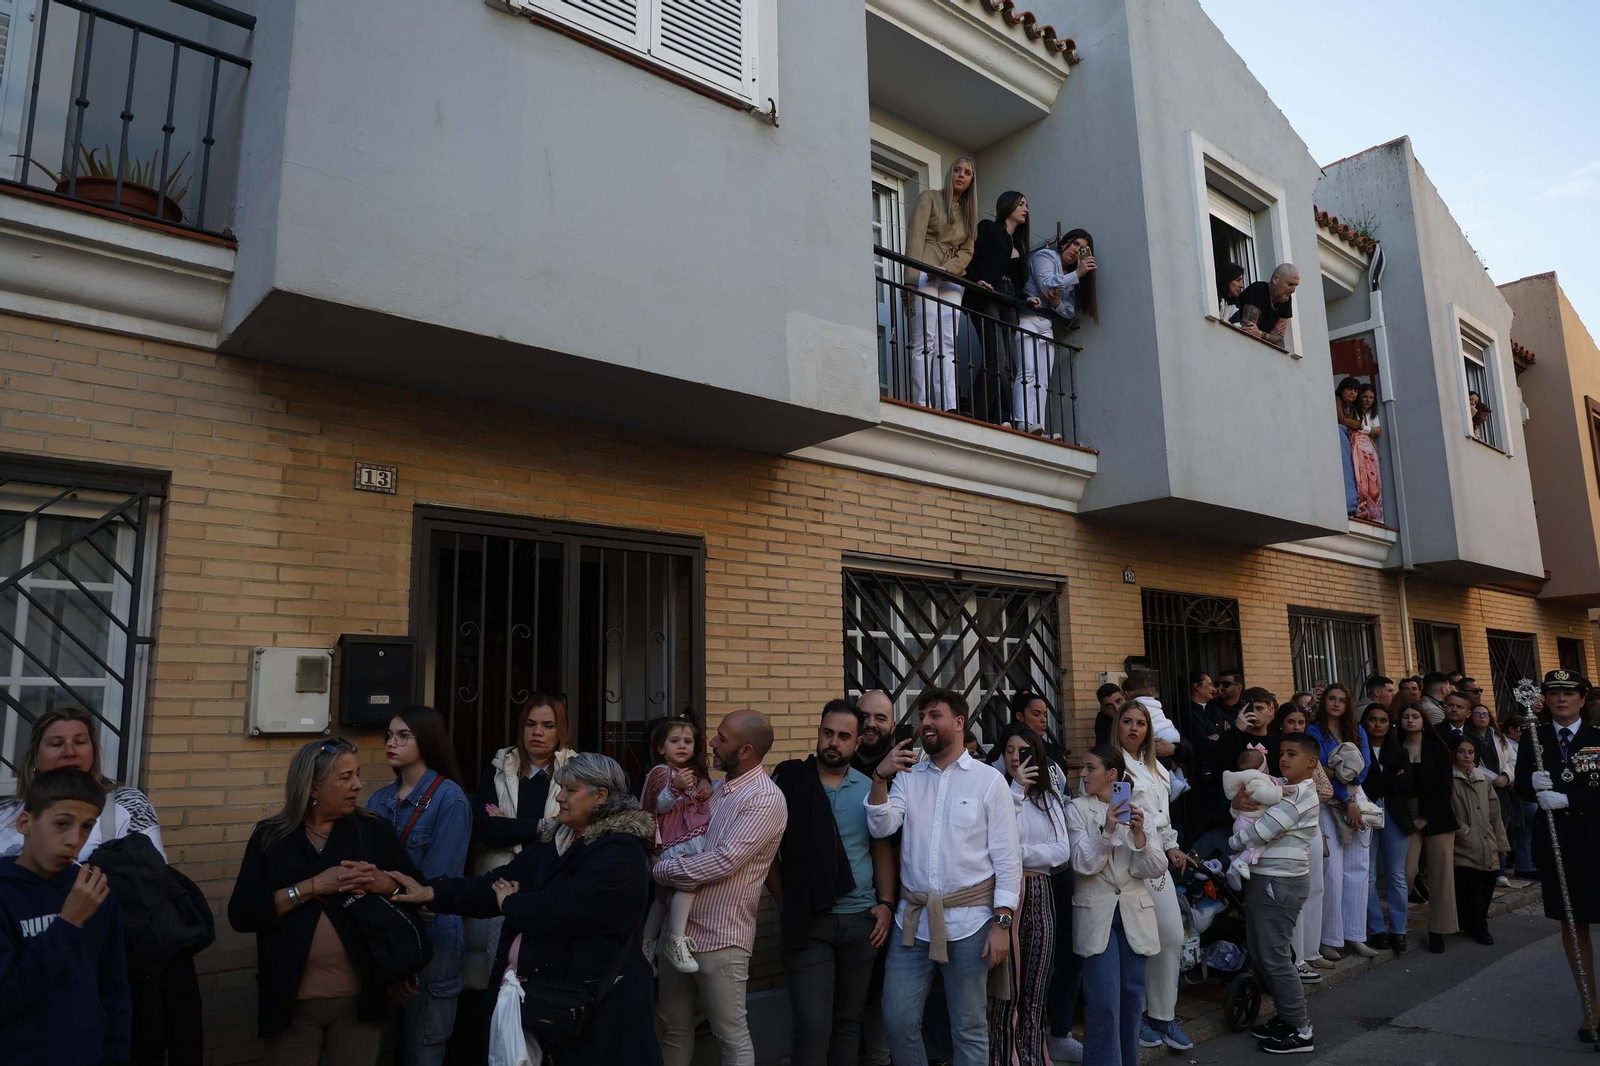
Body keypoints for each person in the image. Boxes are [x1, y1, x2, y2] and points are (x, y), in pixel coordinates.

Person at [390, 753, 662, 1066]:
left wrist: (511, 903)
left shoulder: (620, 851)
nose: (559, 797)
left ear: (600, 796)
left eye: (570, 790)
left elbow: (561, 911)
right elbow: (493, 884)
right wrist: (430, 892)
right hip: (546, 1006)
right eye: (561, 788)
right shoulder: (555, 840)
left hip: (600, 1011)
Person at [0, 708, 198, 1066]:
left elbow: (149, 881)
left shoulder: (123, 805)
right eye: (56, 743)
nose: (70, 751)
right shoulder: (7, 818)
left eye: (80, 741)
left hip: (113, 966)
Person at [228, 738, 421, 1066]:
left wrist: (383, 882)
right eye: (345, 778)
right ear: (313, 788)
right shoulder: (271, 837)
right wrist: (310, 887)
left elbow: (416, 894)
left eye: (357, 775)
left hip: (359, 1002)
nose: (358, 785)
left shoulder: (372, 831)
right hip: (291, 1004)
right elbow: (242, 914)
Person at [867, 687, 1021, 1066]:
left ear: (958, 722)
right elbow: (882, 826)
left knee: (968, 1028)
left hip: (970, 925)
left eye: (934, 715)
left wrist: (1002, 923)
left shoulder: (988, 780)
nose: (925, 723)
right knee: (898, 1019)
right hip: (913, 922)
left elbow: (1007, 858)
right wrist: (880, 777)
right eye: (922, 717)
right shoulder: (907, 776)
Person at [654, 710, 787, 1066]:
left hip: (722, 939)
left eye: (721, 738)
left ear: (745, 750)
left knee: (730, 1037)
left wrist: (661, 871)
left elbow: (724, 860)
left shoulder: (765, 799)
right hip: (677, 936)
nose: (710, 742)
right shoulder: (712, 789)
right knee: (671, 1028)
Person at [768, 701, 895, 1066]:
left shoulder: (870, 788)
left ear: (857, 744)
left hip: (861, 922)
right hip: (810, 923)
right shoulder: (790, 782)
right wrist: (787, 903)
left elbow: (881, 847)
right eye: (828, 733)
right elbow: (767, 854)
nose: (833, 743)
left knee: (847, 1022)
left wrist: (886, 904)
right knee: (812, 1023)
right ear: (819, 732)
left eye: (843, 736)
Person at [0, 768, 131, 1066]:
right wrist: (67, 923)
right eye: (62, 824)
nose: (75, 839)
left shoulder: (92, 890)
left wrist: (115, 1056)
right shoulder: (6, 892)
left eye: (86, 827)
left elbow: (114, 988)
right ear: (25, 823)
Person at [366, 708, 471, 1066]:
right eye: (389, 736)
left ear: (426, 739)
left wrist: (406, 957)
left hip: (431, 943)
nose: (391, 743)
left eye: (403, 736)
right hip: (384, 940)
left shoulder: (449, 798)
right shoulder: (378, 800)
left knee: (422, 1052)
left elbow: (436, 888)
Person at [467, 694, 577, 990]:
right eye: (530, 724)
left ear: (561, 730)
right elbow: (487, 829)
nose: (537, 732)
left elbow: (574, 828)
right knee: (500, 971)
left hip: (551, 884)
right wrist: (543, 826)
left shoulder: (576, 770)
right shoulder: (500, 767)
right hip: (503, 881)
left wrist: (513, 825)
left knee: (543, 975)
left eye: (547, 725)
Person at [1067, 745, 1166, 1066]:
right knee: (1103, 1002)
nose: (1082, 774)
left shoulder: (1141, 813)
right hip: (1096, 915)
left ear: (1112, 775)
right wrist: (1108, 831)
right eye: (1082, 768)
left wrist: (1140, 837)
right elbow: (1082, 863)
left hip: (1134, 914)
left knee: (1132, 996)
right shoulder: (1076, 809)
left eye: (1089, 768)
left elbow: (1153, 869)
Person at [1515, 669, 1600, 1042]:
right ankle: (1591, 1011)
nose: (1561, 698)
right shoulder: (1535, 737)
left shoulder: (1598, 738)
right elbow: (1521, 786)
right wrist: (1532, 787)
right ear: (1544, 699)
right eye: (1554, 692)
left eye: (1569, 692)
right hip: (1559, 845)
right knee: (1573, 923)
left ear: (1583, 698)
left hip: (1596, 839)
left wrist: (1570, 798)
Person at [1230, 733, 1323, 1055]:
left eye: (1292, 754)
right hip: (1267, 878)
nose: (1284, 759)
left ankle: (1300, 1029)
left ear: (1311, 762)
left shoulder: (1299, 795)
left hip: (1280, 883)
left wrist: (1232, 843)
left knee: (1276, 958)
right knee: (1262, 953)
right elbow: (1247, 805)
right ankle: (1285, 1018)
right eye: (1282, 753)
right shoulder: (1282, 788)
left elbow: (1263, 829)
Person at [987, 724, 1071, 1066]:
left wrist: (1019, 852)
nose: (1014, 758)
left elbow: (1061, 852)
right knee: (1006, 988)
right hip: (1004, 895)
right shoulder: (998, 793)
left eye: (1022, 751)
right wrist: (1016, 792)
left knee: (1036, 984)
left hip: (1038, 891)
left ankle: (1034, 1056)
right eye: (1008, 750)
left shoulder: (1049, 798)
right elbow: (998, 846)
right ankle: (1004, 1058)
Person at [1113, 701, 1192, 1052]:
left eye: (1140, 723)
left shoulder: (1156, 766)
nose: (1134, 728)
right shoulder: (1115, 766)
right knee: (1138, 942)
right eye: (1127, 721)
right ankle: (1139, 1015)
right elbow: (1115, 818)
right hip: (1128, 860)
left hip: (1157, 857)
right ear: (1117, 725)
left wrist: (1172, 845)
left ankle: (1162, 1014)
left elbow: (1164, 817)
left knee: (1171, 935)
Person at [640, 715, 715, 974]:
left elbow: (702, 795)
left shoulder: (693, 773)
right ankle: (675, 938)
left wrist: (703, 785)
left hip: (688, 838)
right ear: (661, 748)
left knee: (662, 898)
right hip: (672, 841)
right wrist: (674, 787)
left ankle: (646, 945)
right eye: (674, 741)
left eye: (688, 741)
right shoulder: (661, 773)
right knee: (687, 884)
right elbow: (655, 806)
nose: (682, 746)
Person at [1306, 684, 1375, 961]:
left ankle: (1356, 935)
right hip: (1327, 802)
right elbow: (1320, 769)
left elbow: (1365, 766)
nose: (1336, 704)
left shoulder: (1357, 732)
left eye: (1342, 700)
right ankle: (1329, 938)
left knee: (1358, 867)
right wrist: (1345, 791)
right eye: (1331, 699)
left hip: (1356, 797)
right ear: (1324, 703)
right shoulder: (1314, 731)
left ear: (1348, 704)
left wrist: (1346, 777)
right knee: (1331, 870)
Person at [903, 158, 978, 412]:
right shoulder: (930, 197)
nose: (961, 175)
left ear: (971, 182)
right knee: (925, 338)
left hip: (951, 277)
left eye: (967, 173)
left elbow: (967, 252)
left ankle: (948, 404)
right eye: (957, 170)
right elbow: (914, 238)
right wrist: (911, 281)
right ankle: (922, 402)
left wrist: (948, 270)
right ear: (950, 174)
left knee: (948, 342)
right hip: (925, 269)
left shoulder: (969, 215)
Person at [963, 191, 1039, 426]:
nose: (1025, 208)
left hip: (1007, 303)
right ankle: (977, 412)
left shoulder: (1018, 245)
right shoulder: (988, 228)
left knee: (1007, 365)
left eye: (1027, 204)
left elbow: (1015, 283)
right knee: (996, 358)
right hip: (986, 296)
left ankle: (1001, 417)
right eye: (1021, 204)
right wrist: (976, 281)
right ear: (1007, 205)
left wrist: (1027, 299)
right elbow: (969, 259)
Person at [1015, 229, 1096, 435]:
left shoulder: (1068, 277)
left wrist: (1057, 301)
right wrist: (1077, 274)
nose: (1077, 251)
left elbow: (1068, 311)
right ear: (1065, 243)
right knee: (1027, 371)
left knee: (1043, 376)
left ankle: (1037, 425)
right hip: (1028, 318)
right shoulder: (1045, 256)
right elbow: (1046, 284)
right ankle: (1022, 421)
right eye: (1076, 244)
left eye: (1083, 249)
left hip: (1046, 324)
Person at [1399, 703, 1459, 953]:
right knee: (1406, 872)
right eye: (1405, 716)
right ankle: (1398, 928)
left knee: (1441, 875)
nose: (1410, 720)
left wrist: (1426, 816)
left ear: (1424, 721)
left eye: (1415, 716)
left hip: (1437, 816)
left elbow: (1445, 787)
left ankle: (1438, 930)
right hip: (1406, 818)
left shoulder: (1437, 748)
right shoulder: (1396, 748)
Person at [1360, 701, 1412, 956]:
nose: (1377, 724)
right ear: (1364, 722)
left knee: (1396, 875)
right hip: (1365, 815)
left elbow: (1408, 785)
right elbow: (1364, 783)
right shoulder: (1358, 750)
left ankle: (1398, 930)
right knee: (1368, 875)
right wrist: (1392, 780)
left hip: (1395, 816)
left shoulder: (1399, 751)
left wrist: (1383, 782)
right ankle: (1376, 929)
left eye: (1383, 720)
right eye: (1372, 719)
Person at [1448, 736, 1508, 946]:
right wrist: (1463, 831)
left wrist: (1501, 844)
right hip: (1464, 843)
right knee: (1470, 887)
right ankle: (1479, 926)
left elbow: (1494, 813)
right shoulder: (1449, 778)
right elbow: (1445, 810)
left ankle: (1477, 922)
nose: (1466, 756)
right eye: (1462, 751)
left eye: (1471, 752)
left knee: (1487, 884)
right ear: (1454, 753)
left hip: (1487, 841)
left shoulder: (1482, 778)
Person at [1221, 745, 1290, 890]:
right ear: (1263, 766)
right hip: (1250, 823)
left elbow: (1271, 783)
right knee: (1260, 845)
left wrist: (1280, 783)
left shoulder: (1256, 779)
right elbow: (1263, 793)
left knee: (1250, 846)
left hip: (1245, 821)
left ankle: (1235, 868)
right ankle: (1240, 862)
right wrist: (1280, 793)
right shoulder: (1256, 781)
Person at [1185, 672, 1233, 862]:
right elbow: (1202, 745)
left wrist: (1218, 737)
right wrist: (1220, 737)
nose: (1214, 689)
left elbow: (1229, 738)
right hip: (1203, 779)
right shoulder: (1188, 711)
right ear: (1196, 686)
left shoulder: (1215, 710)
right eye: (1210, 684)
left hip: (1222, 774)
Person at [1006, 690, 1071, 796]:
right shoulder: (999, 757)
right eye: (1036, 714)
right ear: (1020, 716)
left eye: (1045, 715)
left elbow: (1063, 792)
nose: (1043, 720)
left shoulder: (1052, 752)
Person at [1229, 262, 1299, 347]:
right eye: (1290, 284)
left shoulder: (1286, 300)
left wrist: (1261, 334)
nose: (1293, 290)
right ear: (1275, 279)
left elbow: (1279, 339)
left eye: (1296, 285)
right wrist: (1269, 336)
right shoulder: (1258, 291)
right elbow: (1248, 331)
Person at [1352, 383, 1384, 522]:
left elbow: (1378, 431)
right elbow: (1353, 426)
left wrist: (1362, 428)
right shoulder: (1354, 411)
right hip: (1358, 449)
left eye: (1371, 397)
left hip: (1371, 451)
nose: (1368, 400)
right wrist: (1370, 430)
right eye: (1365, 397)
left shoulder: (1373, 414)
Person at [1334, 377, 1363, 518]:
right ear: (1342, 389)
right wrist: (1359, 425)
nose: (1353, 393)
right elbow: (1341, 421)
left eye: (1356, 391)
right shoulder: (1336, 400)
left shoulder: (1351, 407)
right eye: (1349, 389)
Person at [853, 690, 898, 777]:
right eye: (864, 717)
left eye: (880, 719)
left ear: (892, 727)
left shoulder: (906, 770)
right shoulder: (837, 763)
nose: (871, 724)